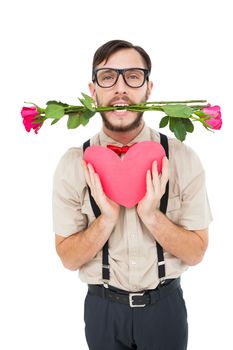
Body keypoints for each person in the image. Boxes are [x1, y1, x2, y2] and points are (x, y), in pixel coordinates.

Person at [53, 40, 212, 350]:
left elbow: (196, 252)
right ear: (93, 90)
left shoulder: (182, 158)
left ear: (148, 89)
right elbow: (67, 258)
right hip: (102, 310)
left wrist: (152, 216)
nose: (120, 88)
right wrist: (106, 219)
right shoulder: (73, 164)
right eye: (108, 76)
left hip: (164, 308)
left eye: (133, 76)